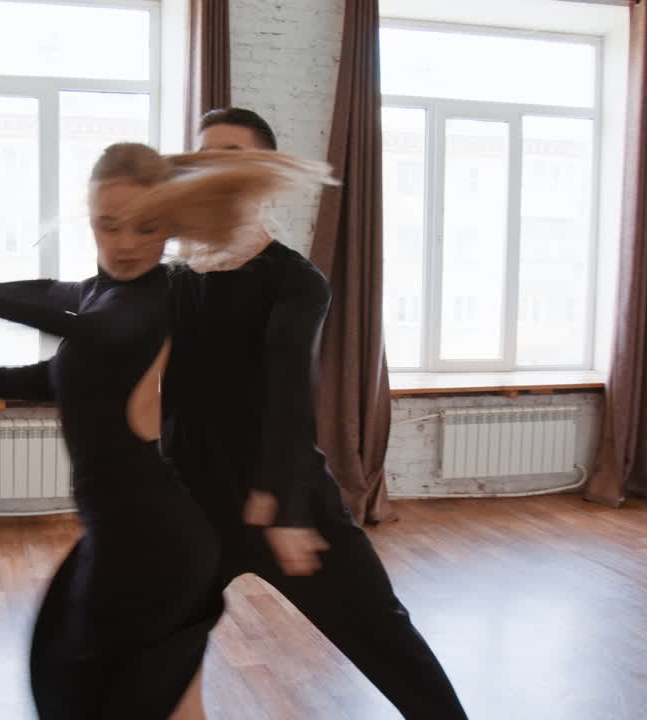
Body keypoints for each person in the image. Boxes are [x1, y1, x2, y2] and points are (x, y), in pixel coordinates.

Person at [0, 142, 333, 719]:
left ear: (168, 229)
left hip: (149, 547)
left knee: (96, 695)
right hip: (131, 539)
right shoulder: (99, 292)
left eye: (147, 227)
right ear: (90, 220)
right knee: (154, 701)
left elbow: (86, 331)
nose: (127, 244)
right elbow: (59, 357)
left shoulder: (152, 300)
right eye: (109, 226)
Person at [157, 108, 469, 719]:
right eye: (205, 154)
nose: (214, 165)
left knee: (383, 636)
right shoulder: (172, 281)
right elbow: (93, 341)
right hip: (192, 510)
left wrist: (287, 508)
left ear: (264, 171)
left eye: (231, 152)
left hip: (286, 506)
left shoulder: (295, 280)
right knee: (148, 653)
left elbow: (287, 394)